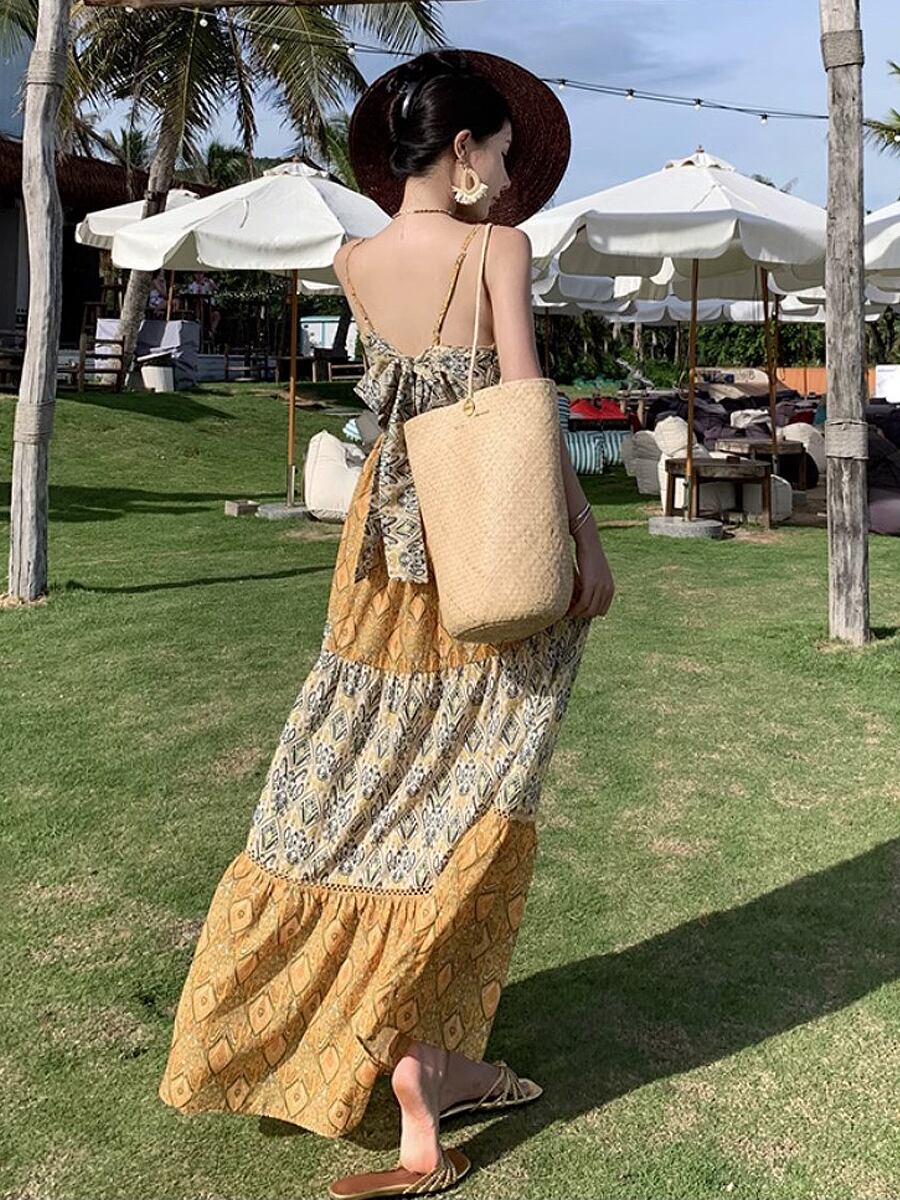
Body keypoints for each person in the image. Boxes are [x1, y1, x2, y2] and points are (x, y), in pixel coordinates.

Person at [157, 48, 615, 1200]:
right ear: (461, 151)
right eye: (499, 154)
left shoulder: (352, 262)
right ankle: (423, 1062)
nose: (505, 179)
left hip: (379, 551)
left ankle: (420, 1056)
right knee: (480, 781)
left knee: (370, 778)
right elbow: (522, 405)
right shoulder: (497, 250)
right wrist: (587, 541)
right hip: (481, 539)